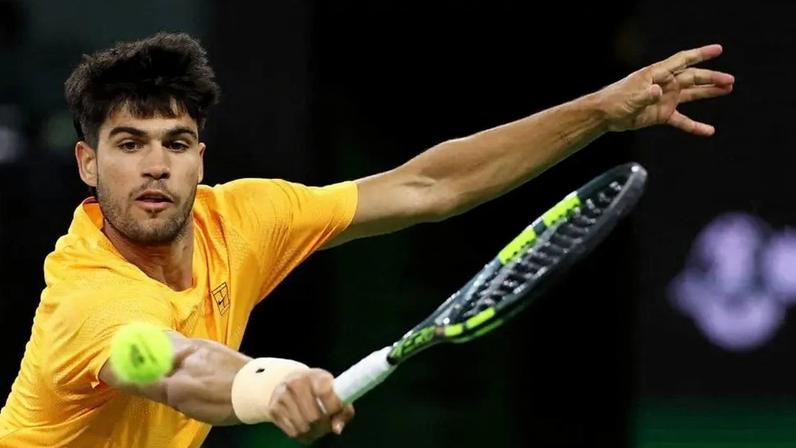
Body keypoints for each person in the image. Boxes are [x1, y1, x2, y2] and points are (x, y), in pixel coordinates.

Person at [0, 32, 734, 447]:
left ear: (201, 155)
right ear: (87, 164)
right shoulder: (85, 299)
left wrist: (600, 113)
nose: (155, 165)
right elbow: (165, 361)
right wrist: (269, 383)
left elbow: (425, 187)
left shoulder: (243, 219)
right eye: (129, 144)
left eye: (176, 141)